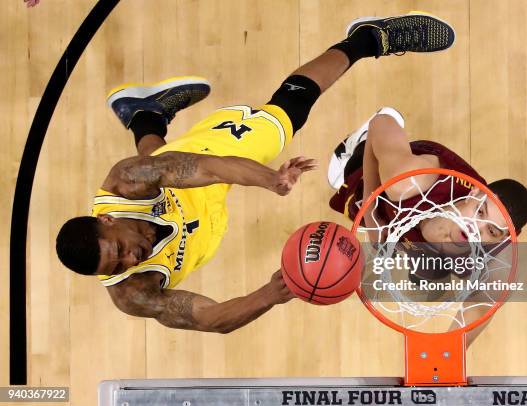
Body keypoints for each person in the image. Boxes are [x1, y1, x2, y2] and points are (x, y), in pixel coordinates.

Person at [56, 12, 456, 333]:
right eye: (118, 266)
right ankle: (144, 113)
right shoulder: (132, 292)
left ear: (106, 219)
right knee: (160, 168)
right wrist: (268, 294)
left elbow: (207, 168)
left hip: (198, 171)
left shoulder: (127, 183)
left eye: (119, 249)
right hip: (198, 220)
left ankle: (367, 39)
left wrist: (270, 179)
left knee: (280, 120)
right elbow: (206, 319)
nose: (130, 258)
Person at [328, 108, 527, 344]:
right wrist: (372, 215)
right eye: (480, 212)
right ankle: (358, 144)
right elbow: (380, 122)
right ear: (475, 192)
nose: (475, 228)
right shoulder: (409, 183)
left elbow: (478, 310)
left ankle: (423, 266)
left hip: (421, 237)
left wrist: (446, 355)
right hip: (397, 179)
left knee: (428, 272)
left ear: (504, 238)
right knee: (360, 180)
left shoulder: (496, 264)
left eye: (491, 231)